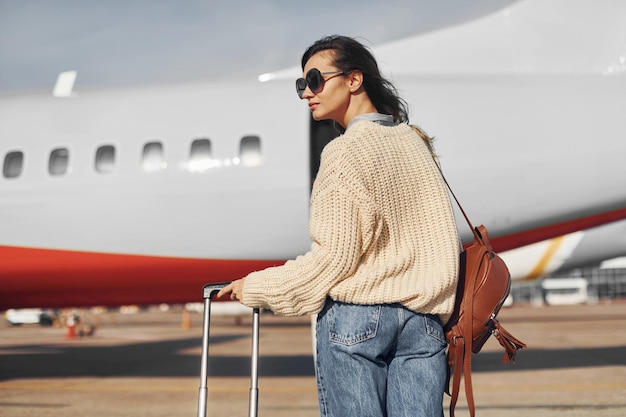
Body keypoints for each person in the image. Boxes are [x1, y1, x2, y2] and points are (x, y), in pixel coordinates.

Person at [218, 35, 460, 417]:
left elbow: (333, 259)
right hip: (423, 324)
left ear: (353, 80)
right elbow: (441, 239)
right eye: (301, 85)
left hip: (359, 321)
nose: (305, 93)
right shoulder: (415, 143)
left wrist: (257, 286)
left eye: (314, 80)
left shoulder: (343, 152)